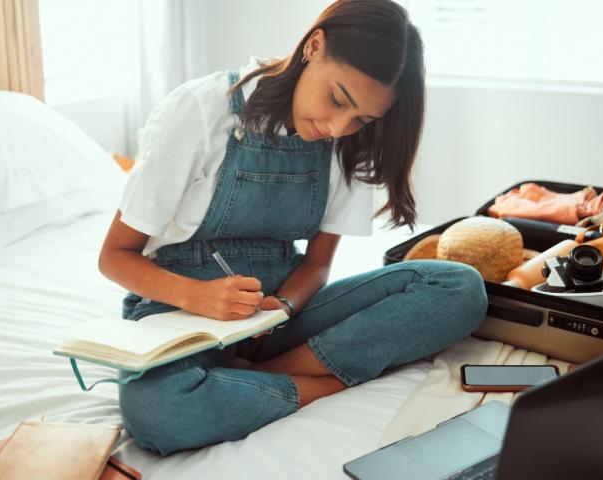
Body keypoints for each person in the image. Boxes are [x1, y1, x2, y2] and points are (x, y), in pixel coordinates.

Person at [98, 0, 488, 455]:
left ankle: (262, 376)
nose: (339, 127)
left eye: (362, 118)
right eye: (339, 99)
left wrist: (282, 307)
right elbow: (114, 257)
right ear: (314, 45)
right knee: (160, 412)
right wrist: (197, 296)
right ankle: (319, 386)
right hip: (179, 314)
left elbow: (318, 264)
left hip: (277, 319)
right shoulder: (202, 111)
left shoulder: (347, 145)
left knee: (459, 288)